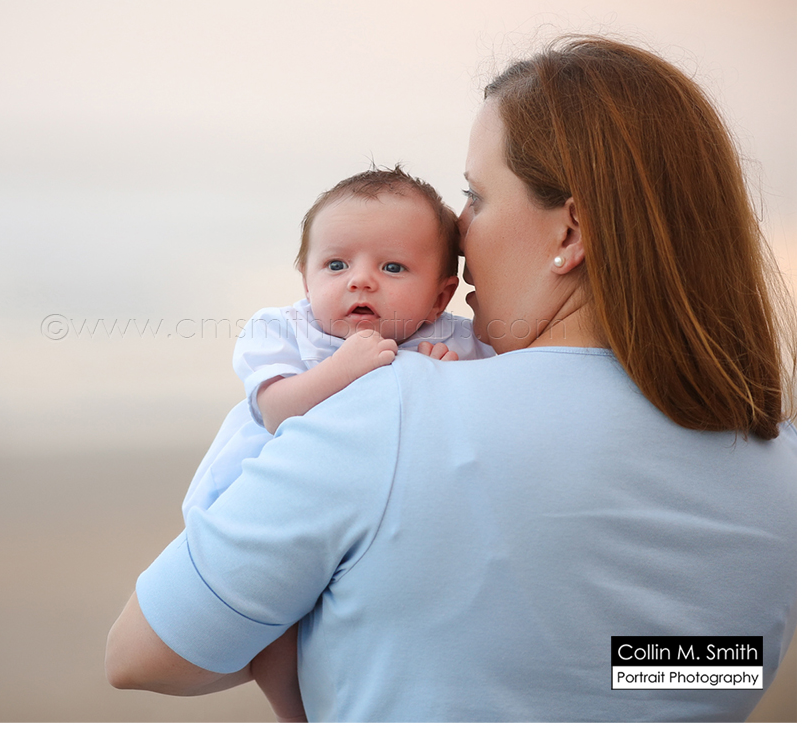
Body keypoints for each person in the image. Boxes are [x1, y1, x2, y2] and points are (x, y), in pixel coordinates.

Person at [106, 36, 796, 722]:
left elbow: (142, 651)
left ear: (571, 232)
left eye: (477, 196)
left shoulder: (394, 408)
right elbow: (699, 671)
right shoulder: (781, 473)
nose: (459, 234)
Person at [181, 167, 494, 719]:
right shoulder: (283, 331)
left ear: (442, 294)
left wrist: (445, 375)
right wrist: (344, 370)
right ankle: (294, 716)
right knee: (278, 630)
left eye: (393, 267)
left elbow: (484, 408)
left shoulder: (450, 339)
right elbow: (276, 411)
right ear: (305, 278)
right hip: (258, 503)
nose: (361, 280)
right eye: (336, 264)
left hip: (374, 523)